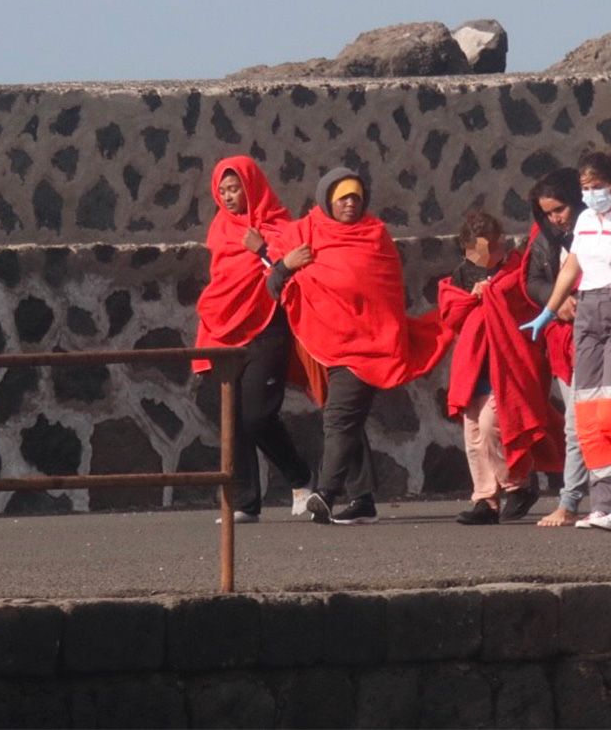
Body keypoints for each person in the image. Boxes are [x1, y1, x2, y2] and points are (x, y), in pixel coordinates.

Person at [266, 168, 452, 525]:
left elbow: (384, 290)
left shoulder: (374, 235)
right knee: (344, 420)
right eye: (342, 198)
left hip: (368, 344)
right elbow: (275, 287)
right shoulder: (306, 233)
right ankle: (362, 500)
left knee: (339, 418)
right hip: (324, 341)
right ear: (327, 200)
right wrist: (286, 266)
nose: (350, 204)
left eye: (356, 197)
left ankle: (326, 493)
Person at [520, 152, 611, 532]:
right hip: (587, 312)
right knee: (589, 414)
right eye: (585, 189)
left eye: (596, 188)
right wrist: (549, 309)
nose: (590, 195)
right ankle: (603, 503)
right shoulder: (588, 221)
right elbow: (572, 266)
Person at [192, 156, 314, 524]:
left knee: (259, 414)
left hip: (267, 327)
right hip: (223, 329)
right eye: (223, 190)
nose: (229, 197)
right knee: (233, 417)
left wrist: (261, 248)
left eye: (236, 189)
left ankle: (301, 478)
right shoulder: (219, 229)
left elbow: (289, 271)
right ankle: (245, 501)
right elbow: (221, 281)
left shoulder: (277, 224)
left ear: (252, 187)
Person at [438, 211, 562, 524]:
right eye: (485, 247)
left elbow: (520, 300)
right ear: (468, 249)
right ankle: (485, 499)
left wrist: (489, 293)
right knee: (474, 431)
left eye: (496, 245)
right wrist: (475, 297)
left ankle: (518, 484)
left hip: (508, 362)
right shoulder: (461, 276)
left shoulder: (516, 269)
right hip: (475, 363)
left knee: (496, 425)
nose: (493, 252)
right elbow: (452, 311)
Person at [523, 168, 587, 527]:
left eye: (560, 209)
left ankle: (583, 501)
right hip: (563, 338)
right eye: (547, 212)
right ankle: (572, 501)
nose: (555, 218)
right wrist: (554, 300)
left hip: (601, 332)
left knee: (596, 422)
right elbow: (533, 280)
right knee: (576, 423)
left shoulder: (595, 232)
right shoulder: (545, 237)